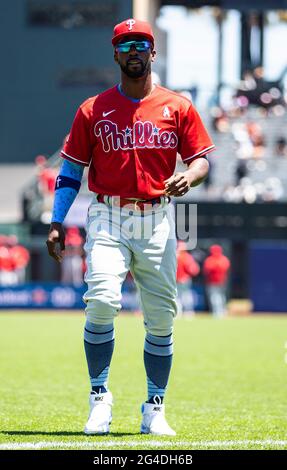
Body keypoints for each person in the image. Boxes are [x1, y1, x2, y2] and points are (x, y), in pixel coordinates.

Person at [46, 18, 215, 436]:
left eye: (141, 44)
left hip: (158, 216)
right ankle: (100, 398)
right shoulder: (92, 108)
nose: (133, 51)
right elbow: (70, 172)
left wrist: (189, 178)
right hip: (108, 213)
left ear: (152, 52)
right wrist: (55, 221)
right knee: (102, 299)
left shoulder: (178, 106)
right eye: (125, 45)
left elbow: (202, 161)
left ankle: (154, 407)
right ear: (115, 53)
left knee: (161, 318)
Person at [203, 245, 230, 318]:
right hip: (220, 282)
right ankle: (220, 312)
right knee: (220, 297)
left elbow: (207, 270)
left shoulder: (211, 260)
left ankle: (218, 313)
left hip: (214, 282)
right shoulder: (224, 259)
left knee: (215, 298)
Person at [176, 241, 200, 316]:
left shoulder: (184, 256)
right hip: (180, 280)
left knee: (183, 296)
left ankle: (186, 312)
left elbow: (194, 269)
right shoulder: (185, 256)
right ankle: (185, 312)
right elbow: (194, 270)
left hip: (181, 280)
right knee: (181, 296)